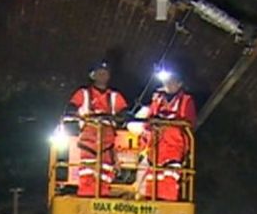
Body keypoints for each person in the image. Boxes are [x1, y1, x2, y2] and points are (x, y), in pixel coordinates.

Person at [66, 61, 129, 197]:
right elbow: (71, 108)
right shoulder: (83, 93)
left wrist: (121, 117)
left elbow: (124, 112)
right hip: (89, 139)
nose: (102, 75)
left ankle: (103, 196)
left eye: (105, 73)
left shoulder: (114, 96)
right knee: (87, 171)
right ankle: (87, 196)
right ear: (92, 75)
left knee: (105, 171)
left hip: (107, 139)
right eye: (99, 72)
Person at [141, 70, 196, 201]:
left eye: (172, 81)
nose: (168, 84)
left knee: (169, 177)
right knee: (152, 178)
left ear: (180, 83)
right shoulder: (157, 99)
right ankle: (150, 202)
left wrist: (166, 123)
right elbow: (148, 122)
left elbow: (189, 123)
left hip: (174, 147)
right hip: (155, 147)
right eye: (167, 81)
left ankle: (167, 204)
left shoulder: (186, 100)